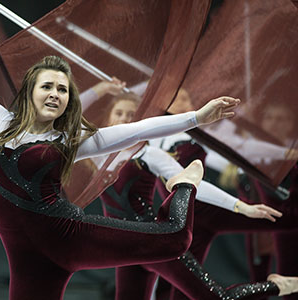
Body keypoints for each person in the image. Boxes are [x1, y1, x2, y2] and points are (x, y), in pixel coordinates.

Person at [0, 6, 242, 300]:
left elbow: (138, 130)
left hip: (71, 238)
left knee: (175, 239)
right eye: (47, 86)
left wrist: (195, 118)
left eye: (62, 90)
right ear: (29, 92)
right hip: (27, 258)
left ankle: (185, 183)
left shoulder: (70, 141)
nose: (54, 93)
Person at [78, 86, 298, 300]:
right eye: (119, 113)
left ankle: (277, 286)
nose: (125, 118)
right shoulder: (98, 152)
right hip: (126, 248)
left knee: (214, 296)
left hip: (155, 242)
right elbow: (71, 117)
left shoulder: (151, 153)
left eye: (131, 114)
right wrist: (101, 89)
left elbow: (195, 184)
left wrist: (241, 207)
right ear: (108, 118)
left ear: (140, 119)